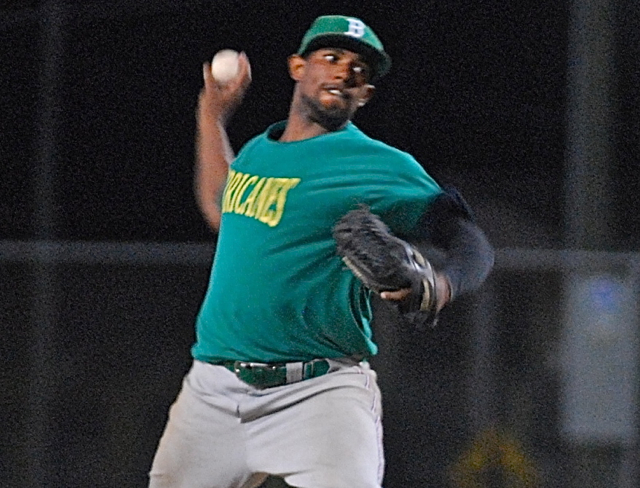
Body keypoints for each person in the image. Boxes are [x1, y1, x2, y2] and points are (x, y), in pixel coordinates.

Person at [149, 15, 494, 488]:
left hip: (319, 395)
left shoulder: (378, 164)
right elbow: (219, 207)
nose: (344, 72)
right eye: (331, 58)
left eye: (359, 70)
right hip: (214, 391)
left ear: (365, 95)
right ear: (297, 67)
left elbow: (468, 239)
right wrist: (210, 117)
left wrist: (442, 283)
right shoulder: (258, 151)